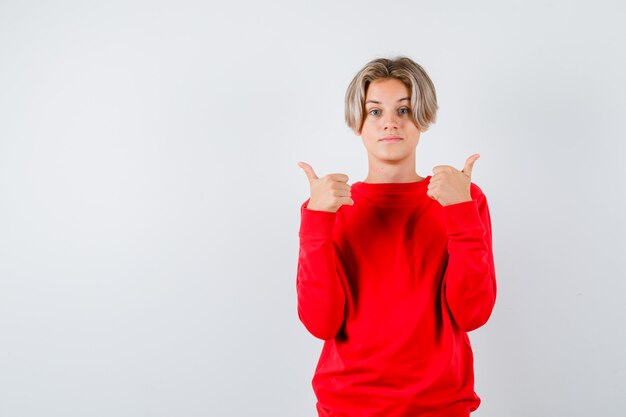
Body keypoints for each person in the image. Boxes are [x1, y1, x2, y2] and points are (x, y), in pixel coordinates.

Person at [296, 57, 497, 417]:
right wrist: (316, 223)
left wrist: (461, 212)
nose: (390, 121)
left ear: (423, 117)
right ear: (357, 122)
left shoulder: (461, 197)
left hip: (441, 406)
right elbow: (321, 322)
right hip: (348, 405)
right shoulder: (330, 206)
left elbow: (473, 314)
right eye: (375, 112)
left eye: (403, 109)